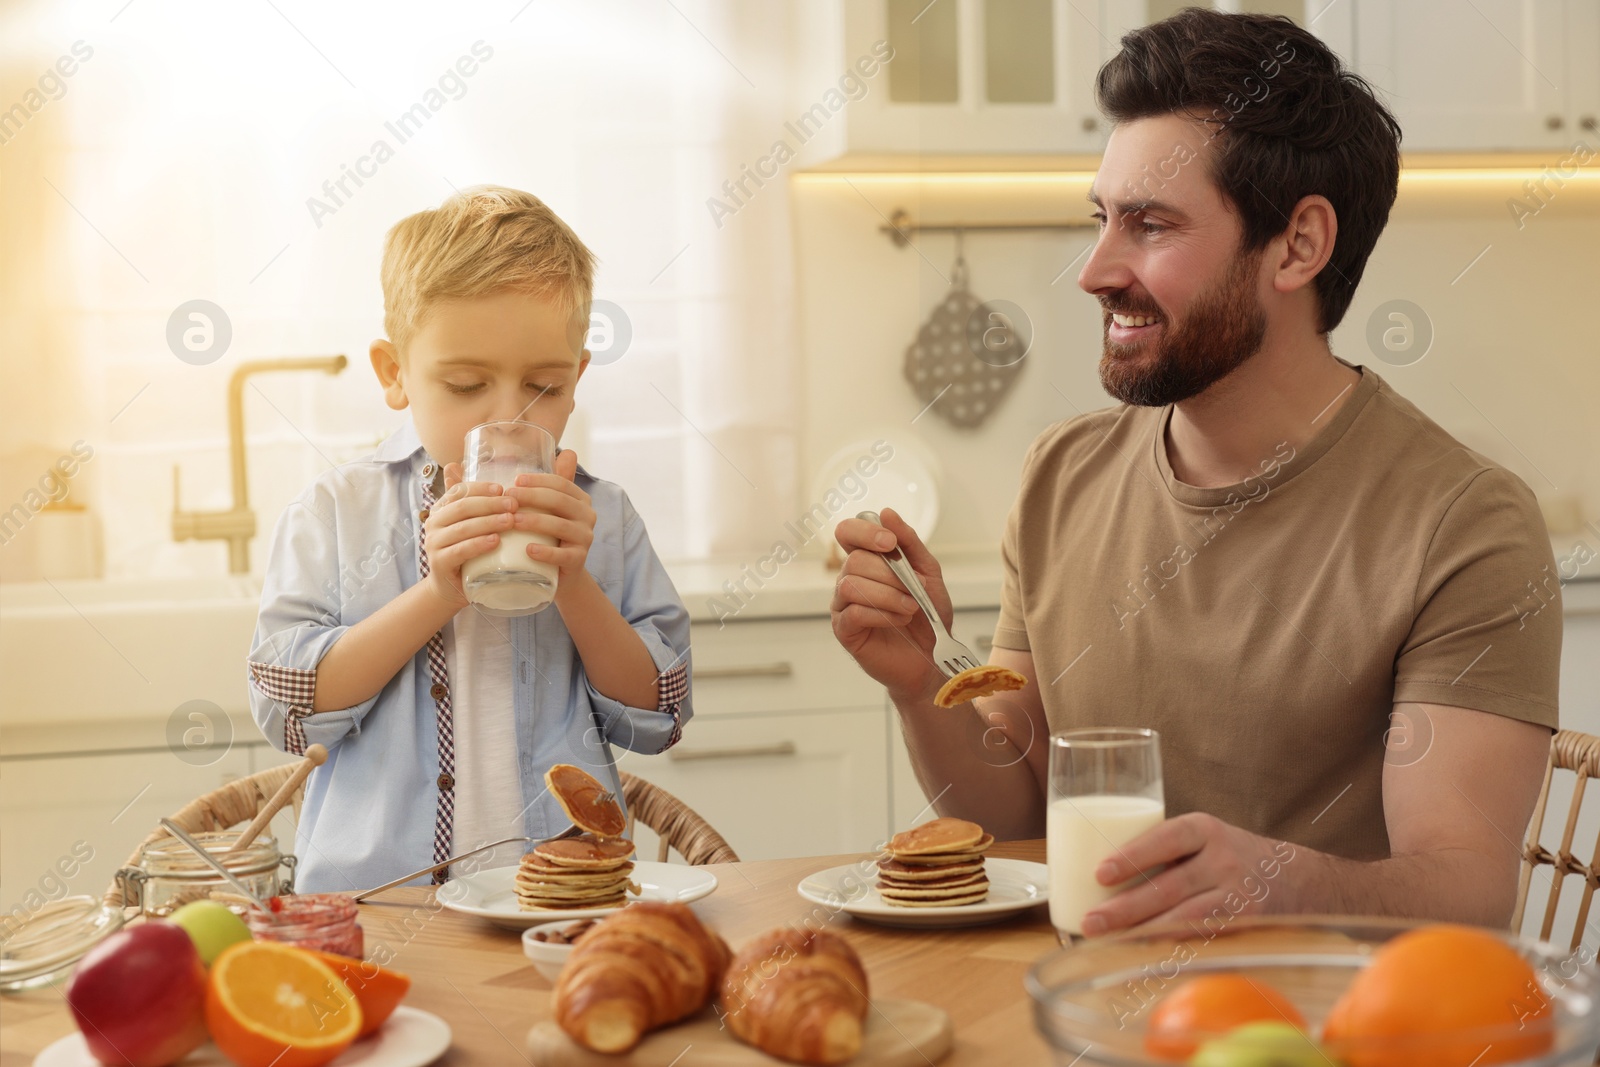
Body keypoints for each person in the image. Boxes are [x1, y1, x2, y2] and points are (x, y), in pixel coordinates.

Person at [831, 9, 1559, 933]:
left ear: (1298, 245)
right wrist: (915, 678)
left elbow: (1468, 890)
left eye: (1149, 225)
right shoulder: (1061, 475)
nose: (1095, 269)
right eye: (1103, 220)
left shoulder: (1465, 522)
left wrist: (1279, 882)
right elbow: (1015, 816)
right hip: (1081, 998)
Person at [248, 187, 691, 892]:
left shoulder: (600, 518)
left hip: (559, 906)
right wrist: (437, 592)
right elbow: (291, 710)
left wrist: (573, 581)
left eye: (542, 385)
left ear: (576, 380)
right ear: (396, 374)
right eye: (464, 383)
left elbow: (660, 717)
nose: (506, 414)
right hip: (375, 907)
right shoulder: (336, 512)